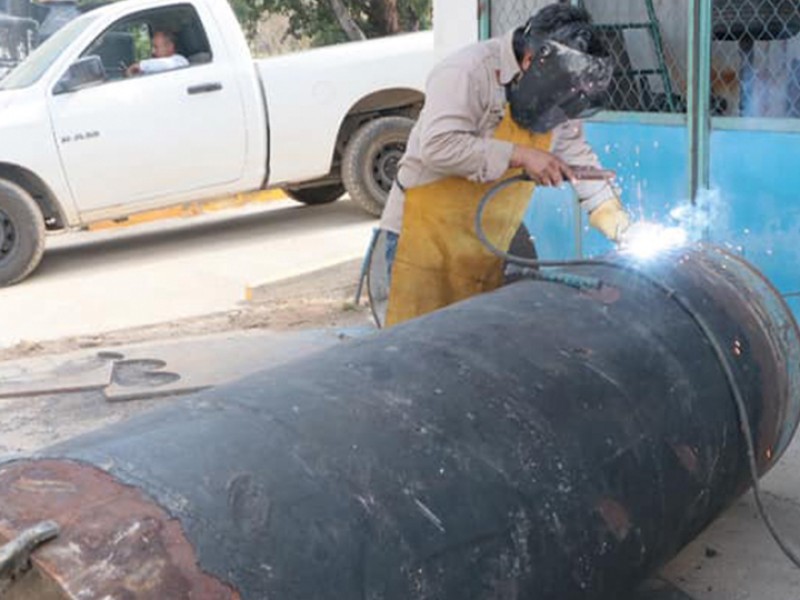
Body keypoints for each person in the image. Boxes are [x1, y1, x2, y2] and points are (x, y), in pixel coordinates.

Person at [379, 3, 633, 327]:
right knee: (419, 350)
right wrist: (523, 155)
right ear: (530, 60)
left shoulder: (558, 90)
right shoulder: (467, 72)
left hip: (489, 239)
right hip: (424, 239)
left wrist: (616, 221)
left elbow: (576, 156)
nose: (563, 106)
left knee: (481, 349)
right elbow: (437, 146)